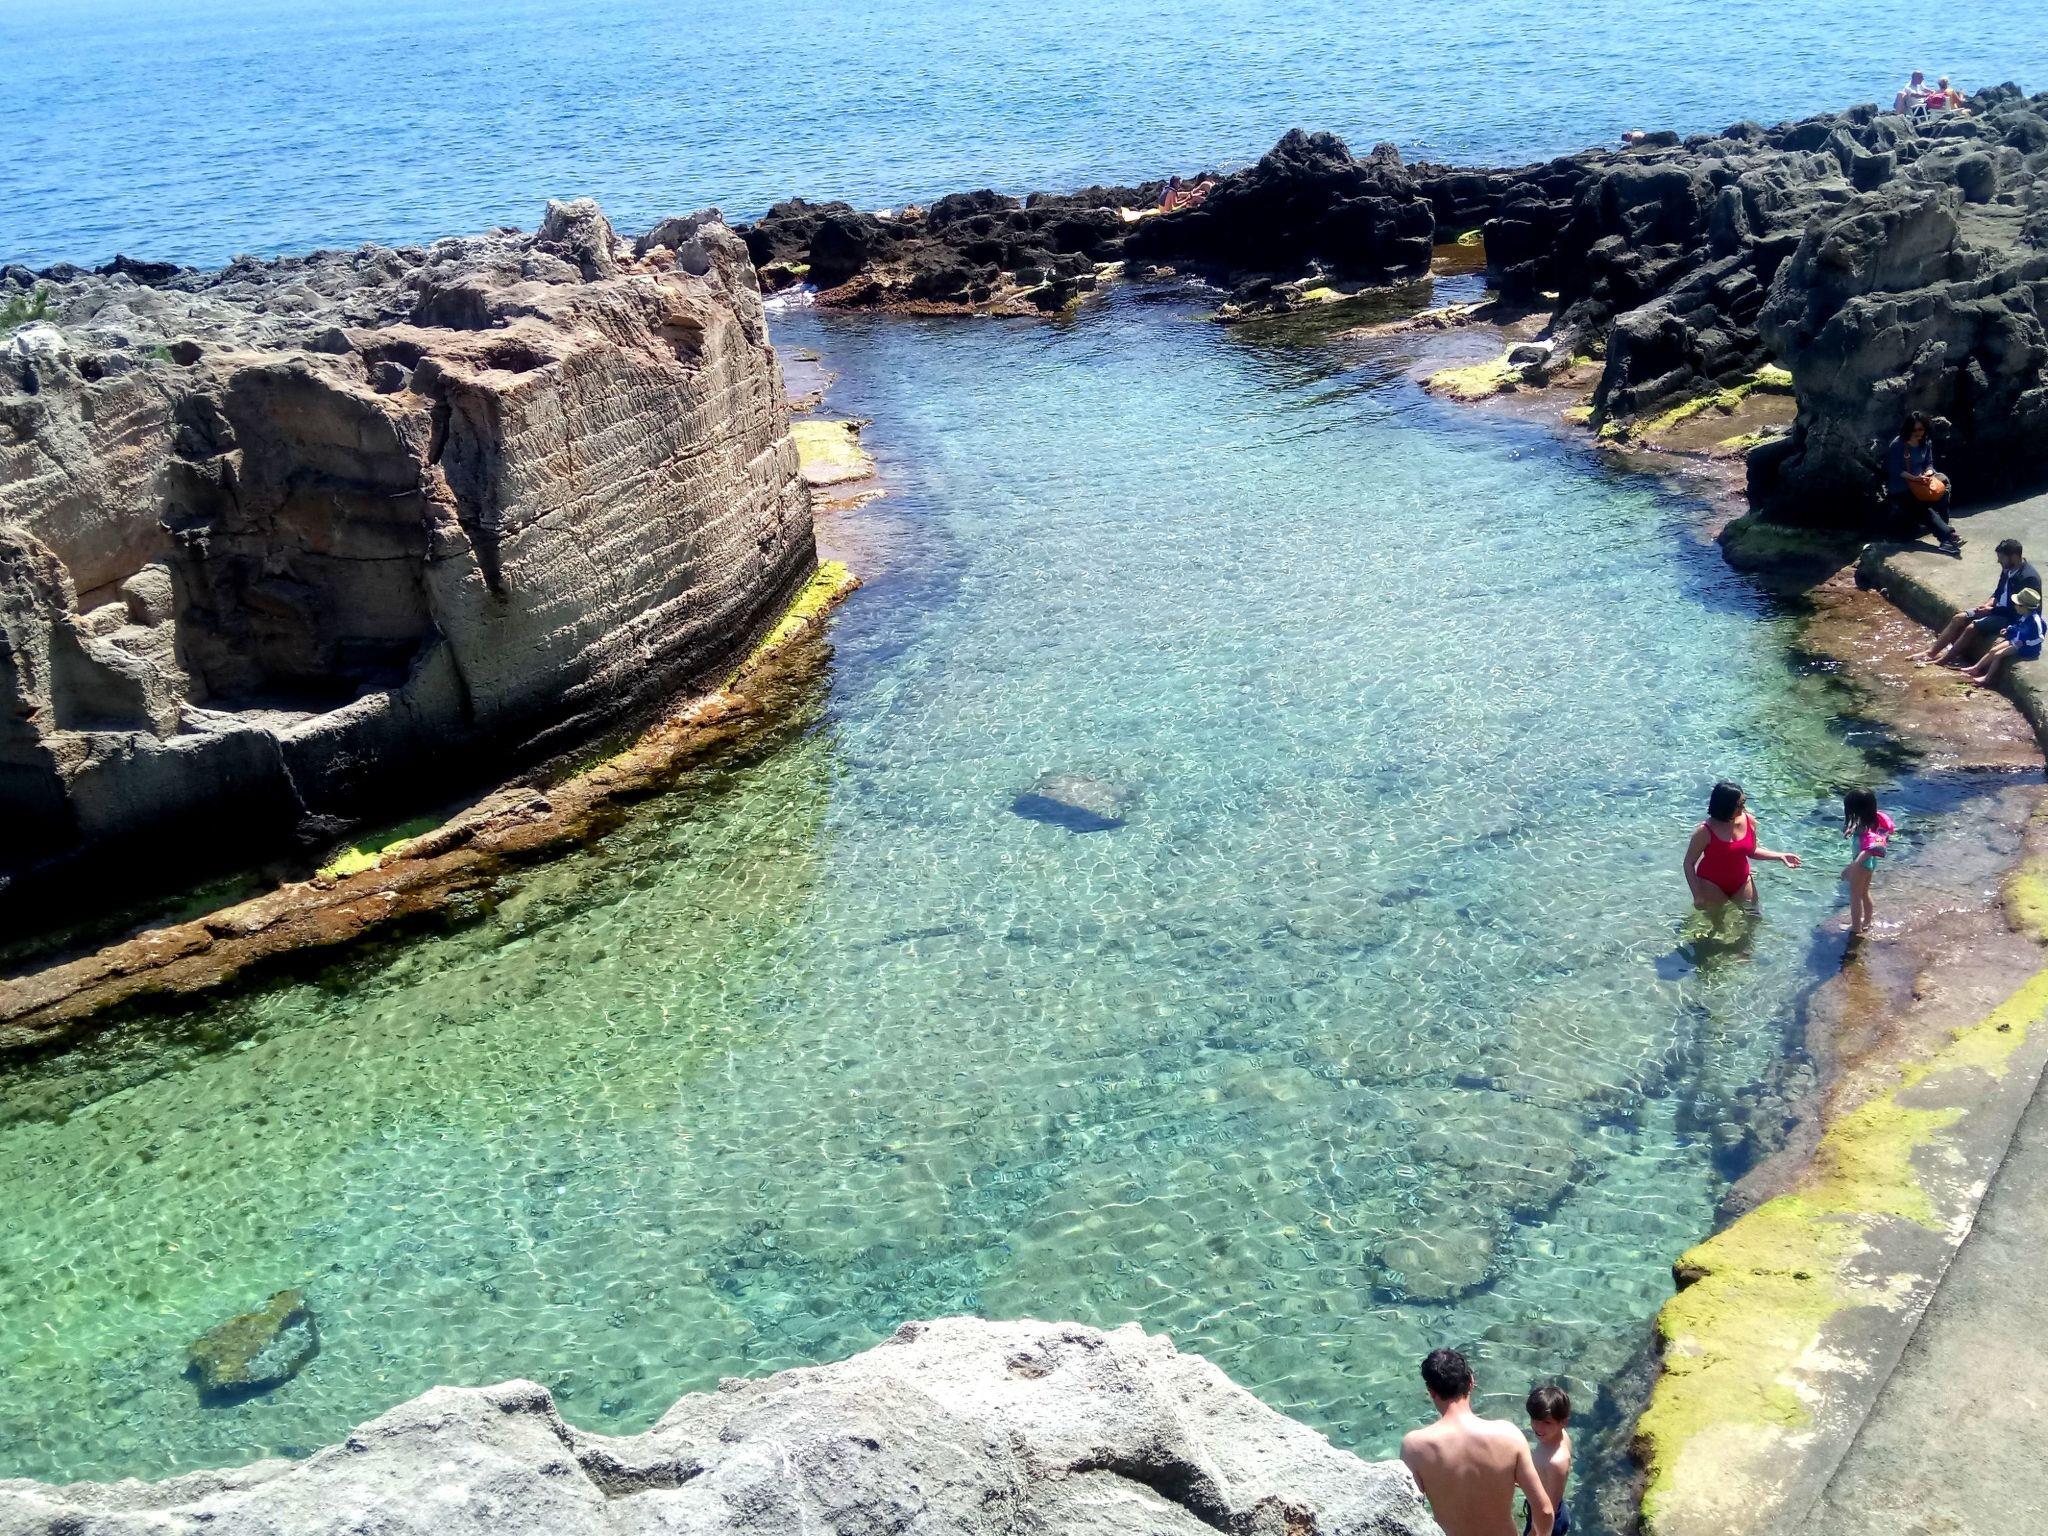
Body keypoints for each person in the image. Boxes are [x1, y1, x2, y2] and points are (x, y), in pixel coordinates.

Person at [1401, 1349, 1555, 1536]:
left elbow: (1408, 1514)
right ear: (1471, 1382)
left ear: (1431, 1391)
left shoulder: (1414, 1447)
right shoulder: (1508, 1435)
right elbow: (1545, 1511)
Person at [1921, 538, 2039, 666]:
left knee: (1972, 628)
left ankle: (1944, 660)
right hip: (1997, 609)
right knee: (1958, 618)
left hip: (2012, 618)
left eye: (2001, 558)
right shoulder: (2007, 569)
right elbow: (1999, 592)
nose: (1998, 561)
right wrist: (1987, 604)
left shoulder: (2028, 578)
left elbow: (2019, 609)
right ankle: (1931, 653)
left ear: (2014, 557)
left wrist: (1991, 611)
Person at [1685, 780, 1802, 910]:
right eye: (1739, 805)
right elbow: (1689, 863)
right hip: (1712, 883)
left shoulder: (1749, 820)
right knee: (1716, 920)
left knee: (1754, 916)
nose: (1743, 808)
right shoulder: (1705, 831)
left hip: (1742, 881)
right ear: (1725, 806)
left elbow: (1752, 851)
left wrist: (1780, 856)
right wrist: (1697, 894)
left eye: (1743, 802)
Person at [1884, 412, 1962, 552]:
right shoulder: (1898, 444)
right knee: (1922, 507)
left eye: (1921, 429)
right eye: (1914, 430)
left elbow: (1929, 463)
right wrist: (1914, 478)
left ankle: (1944, 526)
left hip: (1922, 479)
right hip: (1903, 485)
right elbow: (1894, 470)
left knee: (1944, 485)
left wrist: (1929, 473)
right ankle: (1947, 536)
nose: (1918, 433)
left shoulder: (1925, 441)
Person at [1960, 584, 2044, 688]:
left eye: (2016, 604)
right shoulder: (2023, 615)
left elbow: (2040, 638)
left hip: (2026, 646)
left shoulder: (2035, 621)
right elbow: (2018, 626)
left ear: (2024, 607)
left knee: (1998, 654)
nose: (2014, 606)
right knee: (1993, 650)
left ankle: (1987, 678)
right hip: (2015, 639)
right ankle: (1975, 668)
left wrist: (2025, 643)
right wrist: (2009, 629)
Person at [1840, 789, 1894, 939]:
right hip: (1870, 864)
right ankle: (1867, 922)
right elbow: (1867, 836)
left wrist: (1851, 867)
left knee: (1855, 896)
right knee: (1864, 893)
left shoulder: (1865, 828)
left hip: (1861, 864)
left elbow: (1867, 851)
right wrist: (1852, 830)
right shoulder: (1872, 820)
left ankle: (1856, 927)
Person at [1524, 1386, 1574, 1536]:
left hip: (1546, 1524)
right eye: (1535, 1419)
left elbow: (1548, 1511)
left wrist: (1533, 1532)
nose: (1538, 1427)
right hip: (1551, 1514)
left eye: (1547, 1422)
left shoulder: (1556, 1462)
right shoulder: (1557, 1436)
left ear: (1564, 1422)